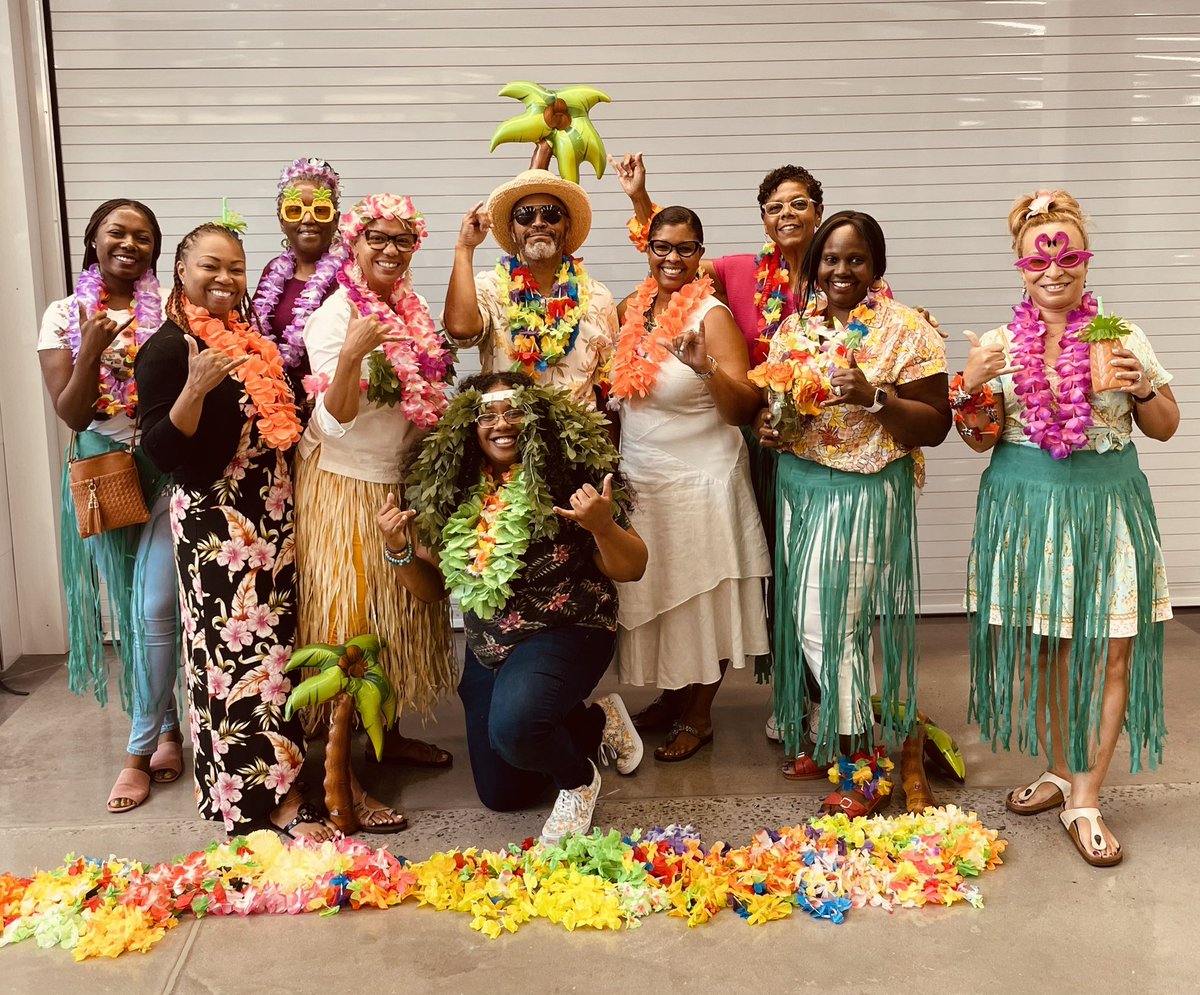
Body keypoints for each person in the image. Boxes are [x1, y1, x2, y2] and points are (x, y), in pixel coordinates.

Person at [956, 189, 1178, 867]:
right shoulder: (997, 344)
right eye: (1037, 258)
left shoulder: (1120, 335)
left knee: (1113, 648)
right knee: (1049, 647)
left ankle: (1085, 798)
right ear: (1020, 265)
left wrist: (1141, 387)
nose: (1053, 269)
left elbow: (1167, 424)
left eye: (1067, 255)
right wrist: (970, 383)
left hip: (1107, 505)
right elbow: (976, 439)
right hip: (1031, 509)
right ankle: (1060, 768)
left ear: (1086, 260)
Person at [378, 372, 647, 843]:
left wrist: (603, 526)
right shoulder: (452, 490)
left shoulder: (572, 478)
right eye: (486, 414)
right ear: (467, 426)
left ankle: (580, 784)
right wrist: (398, 549)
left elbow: (633, 567)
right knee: (503, 793)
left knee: (517, 729)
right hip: (490, 646)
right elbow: (433, 590)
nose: (501, 423)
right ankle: (596, 721)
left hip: (567, 628)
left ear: (538, 417)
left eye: (515, 410)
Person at [135, 219, 334, 841]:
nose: (224, 279)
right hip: (219, 529)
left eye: (236, 268)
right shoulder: (169, 348)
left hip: (270, 519)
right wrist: (192, 391)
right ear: (181, 270)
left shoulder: (250, 341)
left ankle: (279, 776)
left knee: (275, 658)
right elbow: (163, 454)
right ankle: (262, 799)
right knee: (238, 660)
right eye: (210, 267)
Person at [754, 211, 949, 815]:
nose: (842, 269)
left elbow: (936, 425)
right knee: (829, 623)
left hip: (866, 490)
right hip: (801, 487)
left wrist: (875, 397)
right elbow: (780, 409)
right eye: (831, 259)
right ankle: (841, 730)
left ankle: (860, 759)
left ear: (875, 266)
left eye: (855, 258)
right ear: (814, 266)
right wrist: (772, 426)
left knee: (826, 625)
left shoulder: (908, 329)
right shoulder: (793, 330)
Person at [293, 193, 456, 827]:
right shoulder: (337, 317)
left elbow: (425, 403)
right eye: (376, 239)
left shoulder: (412, 315)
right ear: (353, 246)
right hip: (342, 485)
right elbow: (333, 422)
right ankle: (341, 773)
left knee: (398, 614)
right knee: (349, 617)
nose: (390, 250)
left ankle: (385, 733)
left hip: (394, 486)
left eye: (402, 240)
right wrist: (357, 351)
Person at [37, 199, 183, 814]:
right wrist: (93, 346)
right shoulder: (64, 314)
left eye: (144, 237)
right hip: (103, 470)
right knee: (129, 613)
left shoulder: (172, 310)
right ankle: (170, 728)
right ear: (93, 240)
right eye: (116, 233)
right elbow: (70, 413)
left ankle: (136, 754)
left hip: (165, 472)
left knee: (155, 605)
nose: (130, 244)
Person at [608, 206, 769, 762]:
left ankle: (699, 714)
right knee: (664, 591)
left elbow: (744, 407)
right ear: (647, 248)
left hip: (703, 478)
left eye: (685, 248)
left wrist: (705, 371)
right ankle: (673, 695)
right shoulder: (635, 307)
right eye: (662, 247)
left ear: (700, 254)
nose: (672, 258)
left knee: (704, 592)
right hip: (644, 477)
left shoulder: (712, 314)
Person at [611, 154, 824, 361]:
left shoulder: (838, 275)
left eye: (798, 204)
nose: (786, 213)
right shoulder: (743, 270)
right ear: (764, 221)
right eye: (775, 208)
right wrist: (639, 197)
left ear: (818, 214)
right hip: (756, 395)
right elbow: (675, 257)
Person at [443, 169, 617, 408]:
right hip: (507, 436)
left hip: (579, 440)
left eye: (551, 214)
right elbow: (461, 329)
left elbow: (606, 390)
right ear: (513, 229)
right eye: (525, 215)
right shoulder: (489, 287)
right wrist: (464, 248)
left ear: (567, 226)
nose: (538, 222)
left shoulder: (599, 296)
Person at [252, 157, 344, 406]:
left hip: (333, 407)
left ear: (335, 219)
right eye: (295, 210)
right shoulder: (272, 271)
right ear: (282, 221)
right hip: (277, 405)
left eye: (320, 210)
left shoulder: (352, 275)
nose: (307, 219)